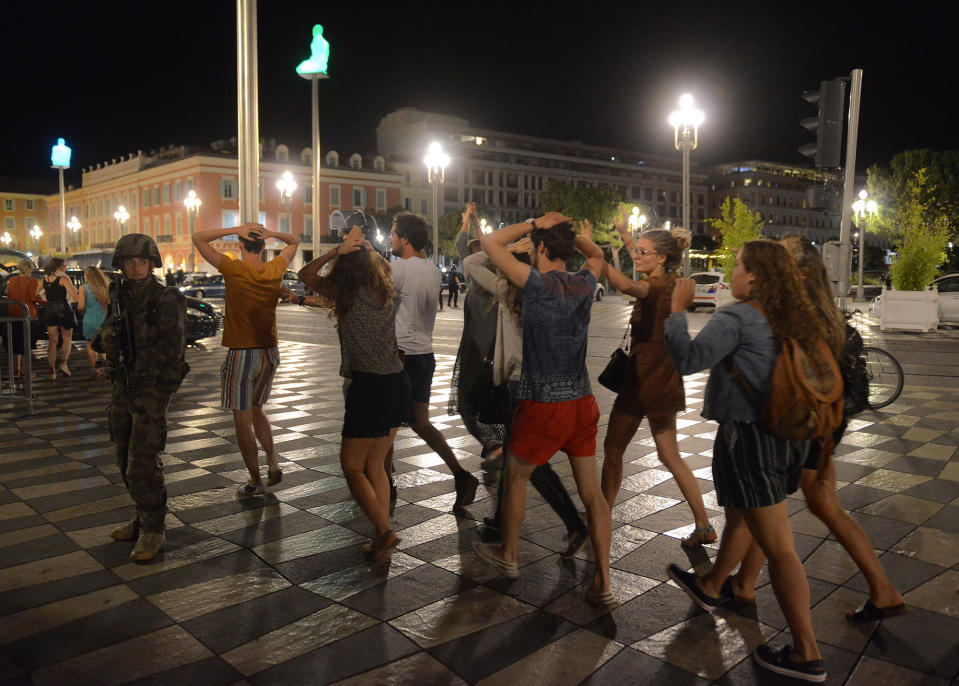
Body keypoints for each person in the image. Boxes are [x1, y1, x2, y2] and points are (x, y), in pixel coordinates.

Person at [664, 240, 828, 683]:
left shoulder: (738, 315)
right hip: (787, 436)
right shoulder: (791, 315)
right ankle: (722, 586)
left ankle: (807, 653)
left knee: (780, 547)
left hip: (750, 438)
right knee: (745, 516)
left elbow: (688, 359)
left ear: (753, 276)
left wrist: (677, 311)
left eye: (736, 266)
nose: (731, 273)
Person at [718, 239, 905, 623]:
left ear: (799, 274)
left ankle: (740, 587)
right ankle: (745, 583)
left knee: (784, 507)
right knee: (793, 506)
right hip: (823, 427)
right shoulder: (824, 315)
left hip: (809, 430)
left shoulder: (804, 319)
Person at [472, 212, 614, 608]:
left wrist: (536, 221)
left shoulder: (535, 284)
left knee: (516, 478)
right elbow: (598, 253)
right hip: (582, 403)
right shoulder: (586, 282)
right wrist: (573, 234)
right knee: (592, 494)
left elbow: (489, 243)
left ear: (542, 249)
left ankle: (509, 555)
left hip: (543, 402)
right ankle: (603, 579)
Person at [285, 226, 411, 560]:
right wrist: (370, 250)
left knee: (351, 466)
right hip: (396, 382)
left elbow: (304, 273)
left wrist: (334, 252)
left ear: (344, 267)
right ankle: (381, 538)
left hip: (369, 384)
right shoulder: (385, 288)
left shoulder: (345, 291)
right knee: (376, 466)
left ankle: (385, 531)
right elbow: (383, 265)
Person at [464, 236, 589, 557]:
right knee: (515, 458)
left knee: (527, 462)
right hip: (545, 385)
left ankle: (571, 523)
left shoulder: (509, 291)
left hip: (516, 385)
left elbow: (471, 263)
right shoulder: (546, 291)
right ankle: (504, 522)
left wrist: (507, 249)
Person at [602, 214, 715, 547]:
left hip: (641, 382)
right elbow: (641, 269)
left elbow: (628, 285)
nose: (637, 257)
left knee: (612, 450)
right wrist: (625, 236)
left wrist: (598, 261)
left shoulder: (655, 285)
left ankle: (601, 516)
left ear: (662, 258)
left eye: (643, 252)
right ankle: (704, 523)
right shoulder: (666, 280)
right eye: (636, 251)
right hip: (663, 382)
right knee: (670, 454)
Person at [98, 234, 189, 562]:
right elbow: (112, 326)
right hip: (122, 384)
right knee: (123, 455)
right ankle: (142, 515)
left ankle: (154, 529)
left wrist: (157, 384)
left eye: (142, 262)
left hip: (150, 389)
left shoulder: (167, 298)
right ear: (121, 264)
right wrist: (104, 341)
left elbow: (173, 347)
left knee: (143, 460)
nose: (136, 268)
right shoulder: (118, 293)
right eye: (130, 262)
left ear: (152, 264)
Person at [192, 223, 299, 496]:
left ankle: (255, 480)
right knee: (257, 409)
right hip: (268, 352)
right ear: (263, 246)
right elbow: (294, 241)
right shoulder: (275, 268)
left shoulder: (232, 267)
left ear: (240, 245)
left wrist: (235, 227)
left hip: (241, 353)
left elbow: (198, 237)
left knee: (242, 419)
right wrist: (273, 233)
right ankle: (272, 461)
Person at [388, 212, 479, 509]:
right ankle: (460, 474)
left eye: (393, 234)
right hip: (424, 355)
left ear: (405, 239)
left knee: (385, 425)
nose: (389, 239)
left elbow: (379, 305)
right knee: (421, 423)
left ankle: (383, 482)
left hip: (401, 355)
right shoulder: (432, 270)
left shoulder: (398, 268)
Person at [449, 203, 505, 469]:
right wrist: (471, 221)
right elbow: (469, 246)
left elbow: (473, 247)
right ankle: (494, 449)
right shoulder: (491, 283)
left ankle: (495, 447)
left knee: (469, 403)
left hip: (482, 353)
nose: (472, 254)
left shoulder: (486, 284)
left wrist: (470, 221)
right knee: (489, 402)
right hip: (487, 351)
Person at [39, 257, 79, 379]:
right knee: (67, 339)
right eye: (64, 266)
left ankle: (52, 372)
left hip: (50, 310)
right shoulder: (63, 279)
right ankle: (63, 364)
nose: (66, 268)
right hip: (64, 310)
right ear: (58, 267)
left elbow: (36, 293)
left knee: (52, 341)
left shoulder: (44, 279)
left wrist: (47, 298)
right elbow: (75, 296)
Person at [4, 259, 42, 378]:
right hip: (28, 315)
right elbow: (33, 297)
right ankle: (26, 371)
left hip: (14, 314)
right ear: (30, 269)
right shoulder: (32, 281)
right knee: (27, 343)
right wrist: (43, 301)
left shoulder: (12, 281)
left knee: (17, 341)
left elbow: (9, 295)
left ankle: (17, 368)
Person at [78, 266, 109, 377]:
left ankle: (96, 370)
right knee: (106, 344)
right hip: (104, 318)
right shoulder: (106, 286)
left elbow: (80, 306)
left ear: (87, 276)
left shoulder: (84, 288)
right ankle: (107, 368)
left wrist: (87, 309)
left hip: (90, 319)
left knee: (90, 345)